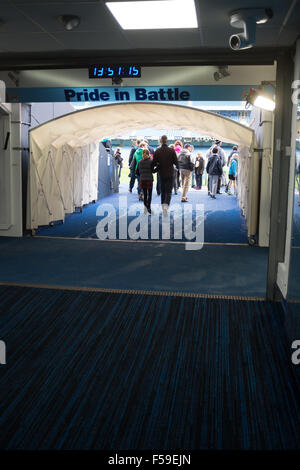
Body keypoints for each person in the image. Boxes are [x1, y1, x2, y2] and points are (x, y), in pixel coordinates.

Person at [153, 135, 179, 216]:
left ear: (160, 141)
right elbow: (176, 163)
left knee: (163, 191)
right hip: (170, 174)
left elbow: (153, 163)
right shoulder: (172, 151)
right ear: (167, 141)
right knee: (168, 192)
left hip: (161, 174)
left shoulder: (157, 151)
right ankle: (166, 207)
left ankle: (163, 207)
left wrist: (155, 168)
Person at [136, 148, 156, 214]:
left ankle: (145, 207)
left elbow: (137, 172)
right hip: (149, 179)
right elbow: (153, 171)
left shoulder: (140, 162)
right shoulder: (151, 161)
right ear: (148, 154)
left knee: (144, 194)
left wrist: (141, 174)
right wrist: (158, 168)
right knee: (149, 194)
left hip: (142, 179)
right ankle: (149, 207)